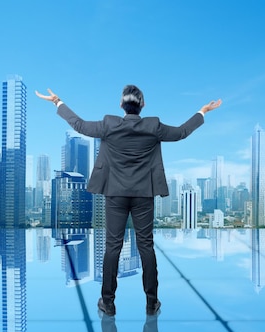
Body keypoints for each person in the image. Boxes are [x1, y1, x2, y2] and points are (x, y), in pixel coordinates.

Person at [36, 85, 221, 316]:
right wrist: (202, 111)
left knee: (112, 247)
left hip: (115, 193)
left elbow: (80, 125)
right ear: (142, 105)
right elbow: (181, 132)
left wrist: (58, 102)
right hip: (144, 194)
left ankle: (108, 302)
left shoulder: (109, 124)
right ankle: (152, 303)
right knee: (146, 247)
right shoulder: (153, 126)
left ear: (121, 105)